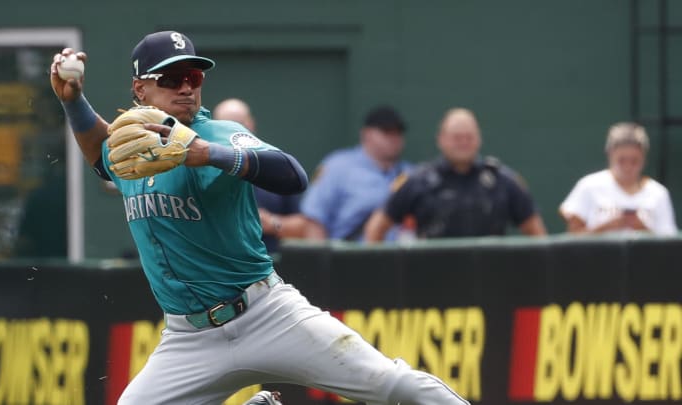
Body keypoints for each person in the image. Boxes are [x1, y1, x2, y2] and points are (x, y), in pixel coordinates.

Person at [50, 30, 469, 405]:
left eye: (193, 78)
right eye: (171, 79)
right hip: (188, 337)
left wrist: (208, 155)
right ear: (140, 89)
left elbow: (292, 175)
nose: (185, 88)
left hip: (266, 314)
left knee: (387, 385)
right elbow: (102, 156)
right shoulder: (130, 147)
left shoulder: (215, 134)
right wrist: (73, 102)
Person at [365, 107, 547, 241]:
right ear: (441, 139)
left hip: (491, 278)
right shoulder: (417, 181)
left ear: (479, 139)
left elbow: (536, 233)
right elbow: (376, 228)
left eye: (469, 137)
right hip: (432, 281)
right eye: (456, 138)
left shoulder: (503, 181)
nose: (463, 143)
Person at [300, 105, 413, 240]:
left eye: (398, 132)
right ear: (366, 134)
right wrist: (320, 259)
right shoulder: (338, 167)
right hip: (350, 256)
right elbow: (314, 219)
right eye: (387, 132)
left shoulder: (410, 174)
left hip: (399, 257)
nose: (393, 138)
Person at [212, 98, 303, 253]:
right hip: (219, 262)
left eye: (239, 123)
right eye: (225, 125)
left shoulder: (272, 165)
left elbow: (302, 226)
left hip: (270, 263)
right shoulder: (202, 168)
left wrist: (272, 223)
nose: (233, 131)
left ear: (251, 124)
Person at [559, 122, 678, 235]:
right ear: (610, 154)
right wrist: (607, 227)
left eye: (634, 161)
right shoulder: (588, 185)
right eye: (621, 160)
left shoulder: (658, 193)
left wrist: (642, 228)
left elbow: (668, 242)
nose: (628, 167)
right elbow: (573, 237)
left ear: (644, 158)